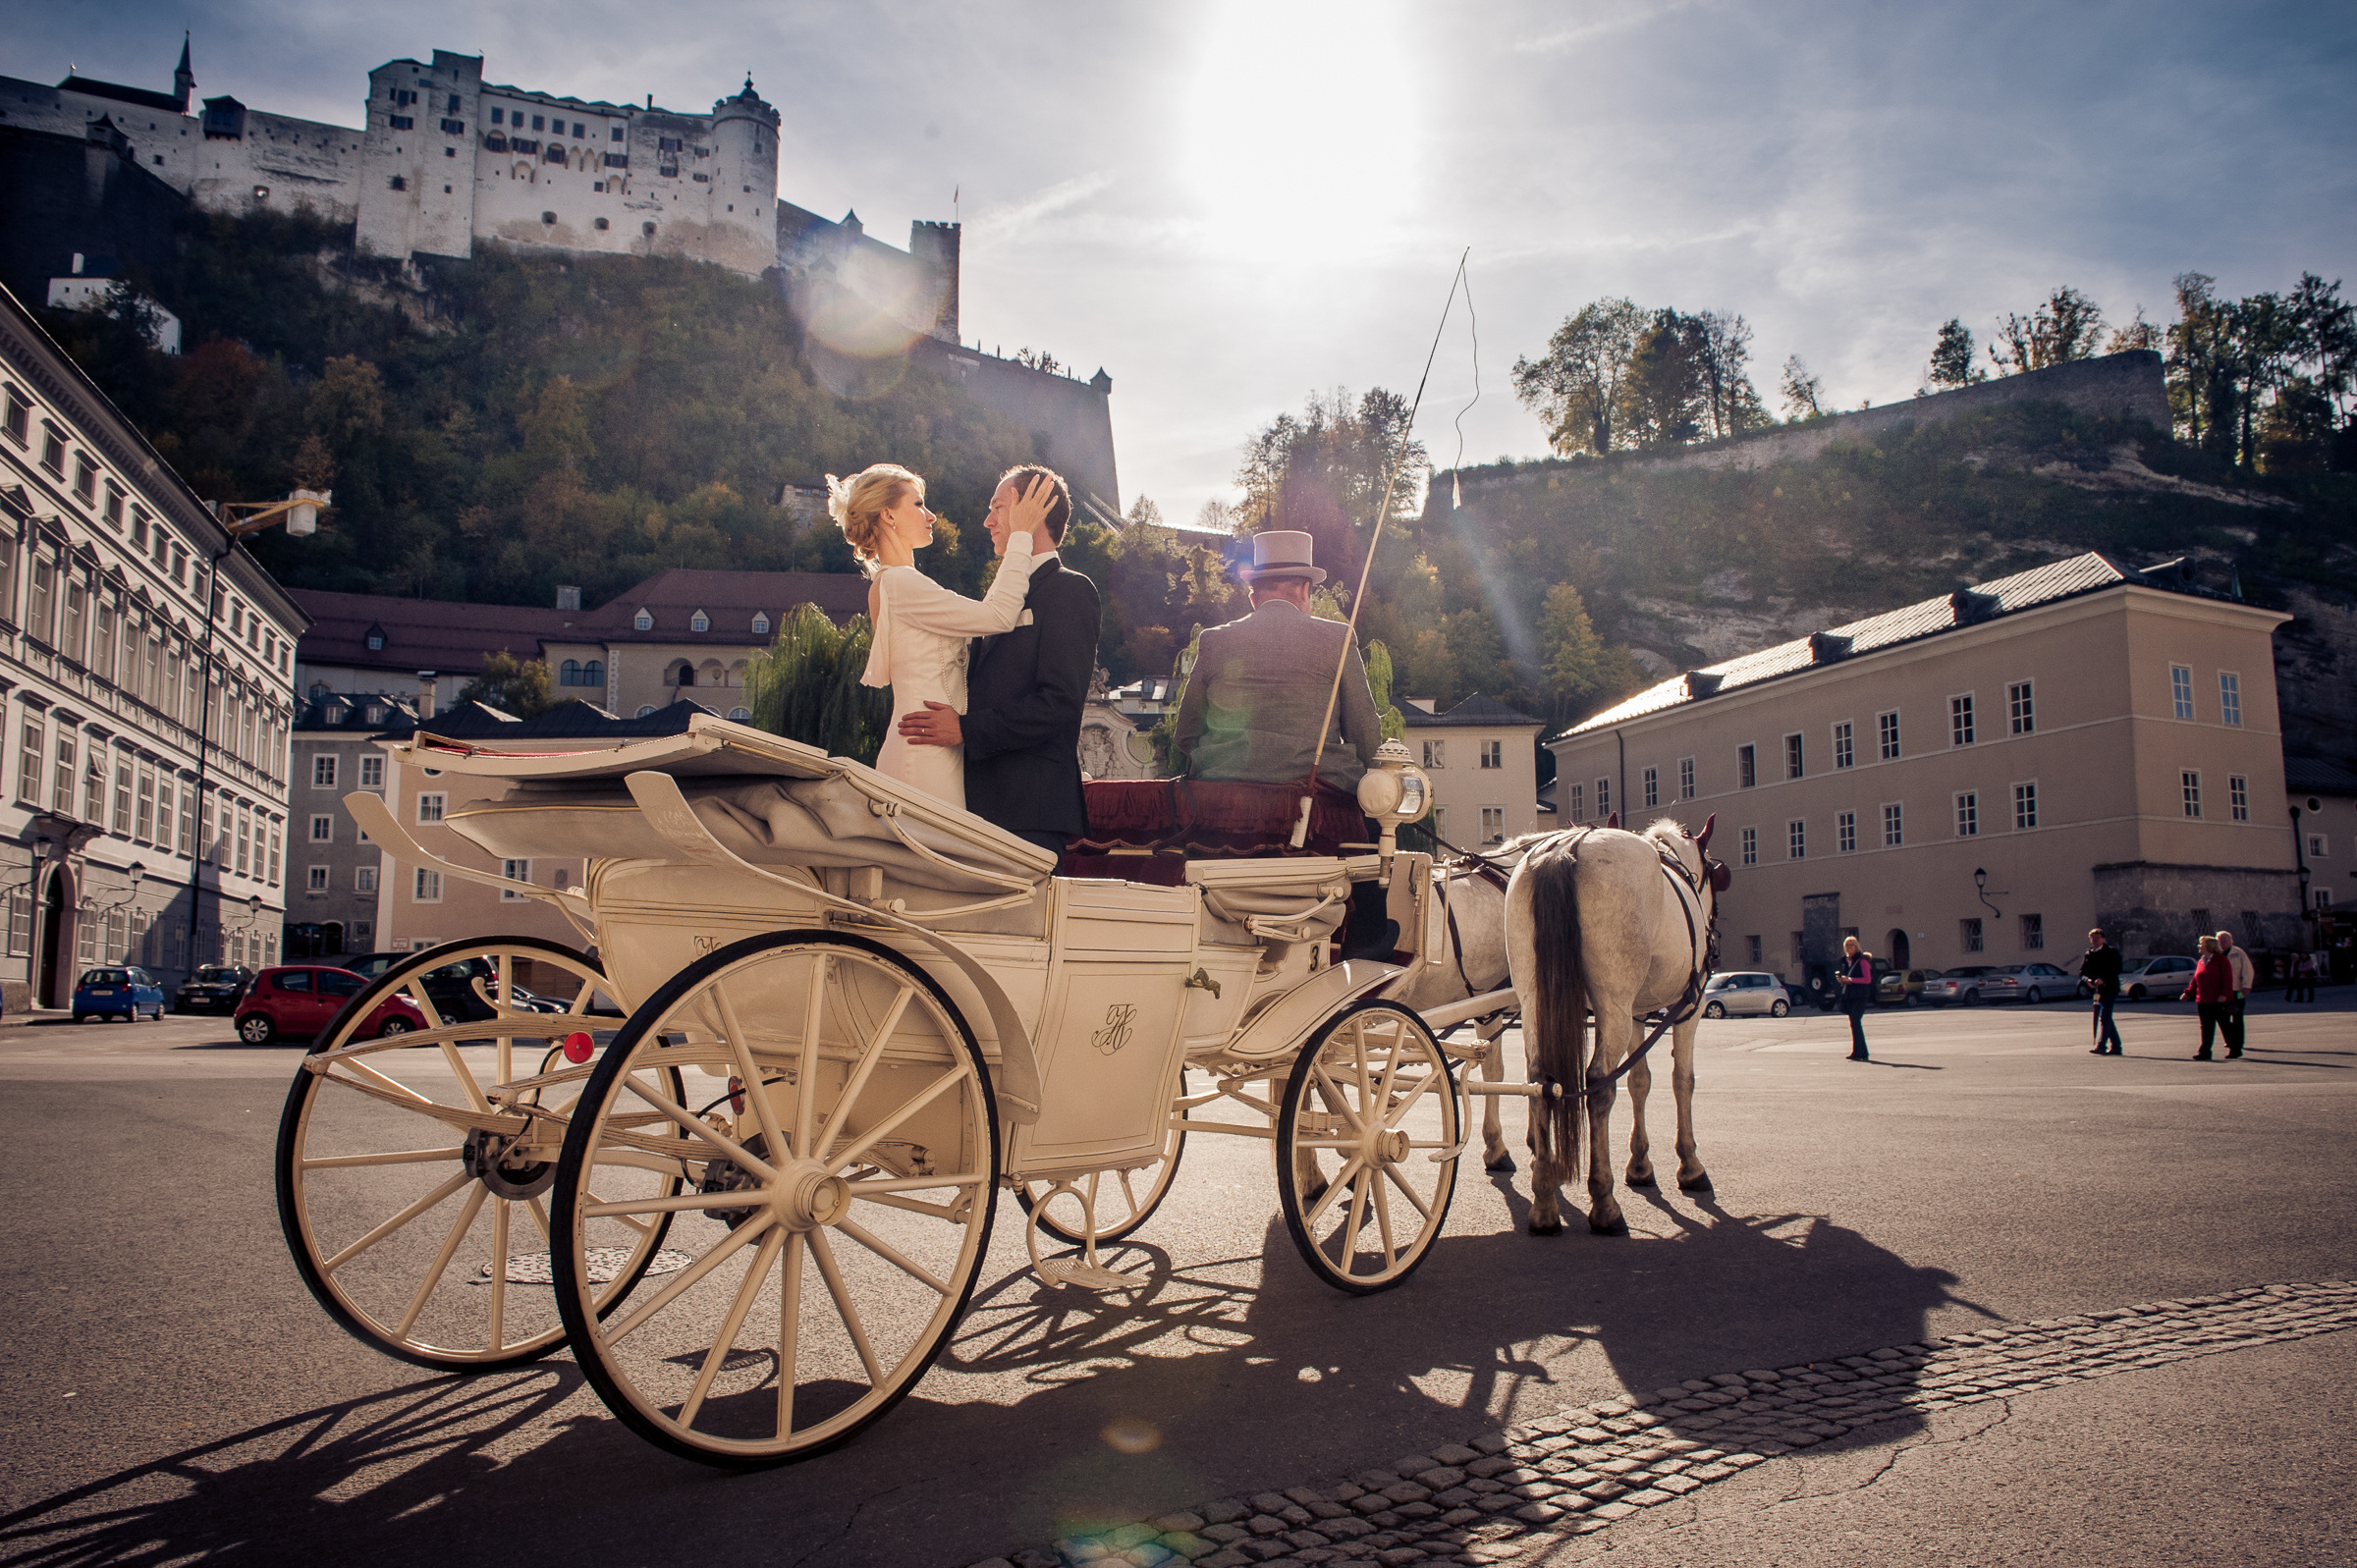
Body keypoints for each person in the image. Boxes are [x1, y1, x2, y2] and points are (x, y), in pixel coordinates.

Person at [1170, 530, 1393, 956]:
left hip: (1221, 806)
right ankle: (1369, 936)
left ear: (1253, 594)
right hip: (1316, 806)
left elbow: (1185, 733)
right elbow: (1368, 739)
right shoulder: (1337, 639)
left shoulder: (1215, 641)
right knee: (1371, 824)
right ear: (1306, 590)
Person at [897, 465, 1100, 858]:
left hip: (1029, 810)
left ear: (1033, 511)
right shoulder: (999, 598)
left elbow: (1059, 704)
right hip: (976, 806)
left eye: (998, 507)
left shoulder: (1070, 590)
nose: (987, 520)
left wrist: (966, 730)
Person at [838, 462, 1048, 811]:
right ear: (888, 515)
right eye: (919, 504)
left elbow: (986, 610)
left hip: (930, 745)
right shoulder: (901, 583)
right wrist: (1022, 534)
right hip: (923, 755)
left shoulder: (890, 584)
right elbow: (997, 615)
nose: (931, 516)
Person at [2180, 936, 2236, 1059]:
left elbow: (2227, 979)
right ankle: (2204, 1052)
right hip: (2203, 999)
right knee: (2206, 1027)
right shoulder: (2201, 961)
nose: (2199, 946)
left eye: (2201, 944)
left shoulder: (2221, 960)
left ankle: (2234, 1048)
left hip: (2218, 999)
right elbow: (2196, 979)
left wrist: (2224, 994)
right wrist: (2188, 993)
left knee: (2224, 1024)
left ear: (2208, 947)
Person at [2079, 927, 2124, 1055]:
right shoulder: (2089, 954)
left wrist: (2103, 979)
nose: (2094, 940)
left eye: (2097, 938)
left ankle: (2101, 1046)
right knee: (2106, 1018)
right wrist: (2088, 980)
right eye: (2092, 938)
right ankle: (2116, 1047)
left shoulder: (2111, 952)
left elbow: (2117, 969)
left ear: (2103, 939)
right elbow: (2082, 972)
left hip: (2110, 988)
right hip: (2097, 991)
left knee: (2104, 1017)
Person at [1836, 936, 1874, 1061]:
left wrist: (1851, 979)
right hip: (1850, 995)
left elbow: (1867, 979)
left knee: (1856, 1022)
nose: (1849, 947)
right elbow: (1848, 978)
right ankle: (1860, 1052)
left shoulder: (1862, 961)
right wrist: (1843, 980)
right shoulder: (1846, 961)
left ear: (1856, 946)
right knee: (1854, 1024)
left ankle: (1860, 1052)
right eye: (1847, 945)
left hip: (1860, 996)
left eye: (1851, 945)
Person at [2218, 930, 2254, 1054]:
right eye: (2220, 941)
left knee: (2237, 1016)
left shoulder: (2238, 953)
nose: (2222, 943)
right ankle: (2230, 1040)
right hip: (2223, 991)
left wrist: (2246, 985)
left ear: (2230, 941)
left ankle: (2238, 1041)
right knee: (2223, 1017)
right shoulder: (2217, 954)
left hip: (2237, 989)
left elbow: (2247, 970)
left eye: (2225, 940)